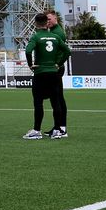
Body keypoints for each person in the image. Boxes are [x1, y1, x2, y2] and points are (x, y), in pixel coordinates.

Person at [24, 12, 70, 140]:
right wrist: (58, 64)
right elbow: (68, 51)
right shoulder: (55, 36)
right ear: (46, 23)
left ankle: (37, 130)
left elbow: (28, 51)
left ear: (35, 24)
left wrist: (30, 65)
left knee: (38, 102)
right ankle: (57, 130)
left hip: (40, 73)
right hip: (54, 73)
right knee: (56, 102)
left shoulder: (36, 37)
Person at [46, 9, 69, 127]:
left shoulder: (57, 33)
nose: (47, 21)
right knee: (56, 98)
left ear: (56, 18)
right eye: (46, 19)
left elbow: (66, 51)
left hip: (56, 69)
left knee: (57, 99)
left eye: (49, 19)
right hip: (56, 68)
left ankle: (61, 128)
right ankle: (58, 127)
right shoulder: (54, 31)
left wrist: (58, 64)